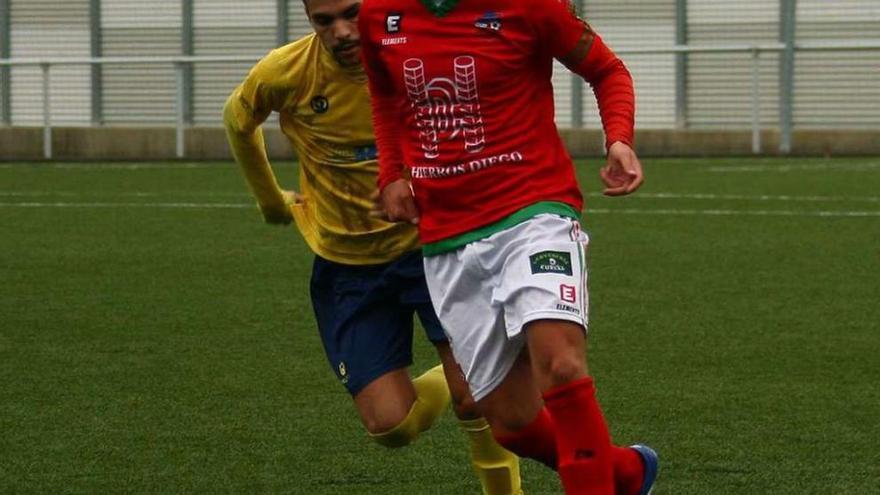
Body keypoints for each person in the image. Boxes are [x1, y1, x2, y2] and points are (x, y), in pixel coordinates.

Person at [222, 0, 523, 493]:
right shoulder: (284, 73)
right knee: (392, 426)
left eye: (352, 13)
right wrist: (271, 200)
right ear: (309, 19)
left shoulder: (420, 57)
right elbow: (237, 121)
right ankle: (457, 374)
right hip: (347, 267)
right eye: (325, 21)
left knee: (480, 402)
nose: (342, 31)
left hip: (434, 250)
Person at [360, 0, 659, 494]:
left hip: (533, 213)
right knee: (511, 423)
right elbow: (386, 94)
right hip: (448, 238)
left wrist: (619, 138)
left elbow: (606, 70)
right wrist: (391, 172)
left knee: (561, 364)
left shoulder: (533, 6)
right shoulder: (380, 14)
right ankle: (625, 471)